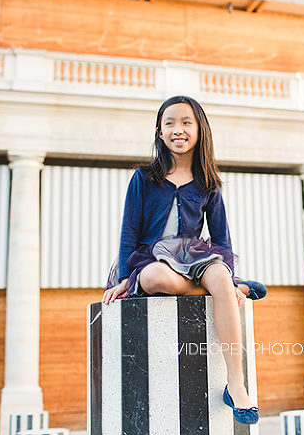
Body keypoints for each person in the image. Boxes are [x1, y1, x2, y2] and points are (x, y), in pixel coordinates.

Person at [102, 95, 263, 425]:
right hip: (153, 259)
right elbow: (129, 230)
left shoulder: (208, 182)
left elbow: (222, 238)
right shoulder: (144, 178)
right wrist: (124, 277)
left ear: (200, 130)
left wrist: (229, 279)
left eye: (186, 122)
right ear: (160, 132)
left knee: (220, 276)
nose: (178, 129)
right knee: (155, 279)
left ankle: (236, 384)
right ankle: (230, 291)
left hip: (194, 257)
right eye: (170, 123)